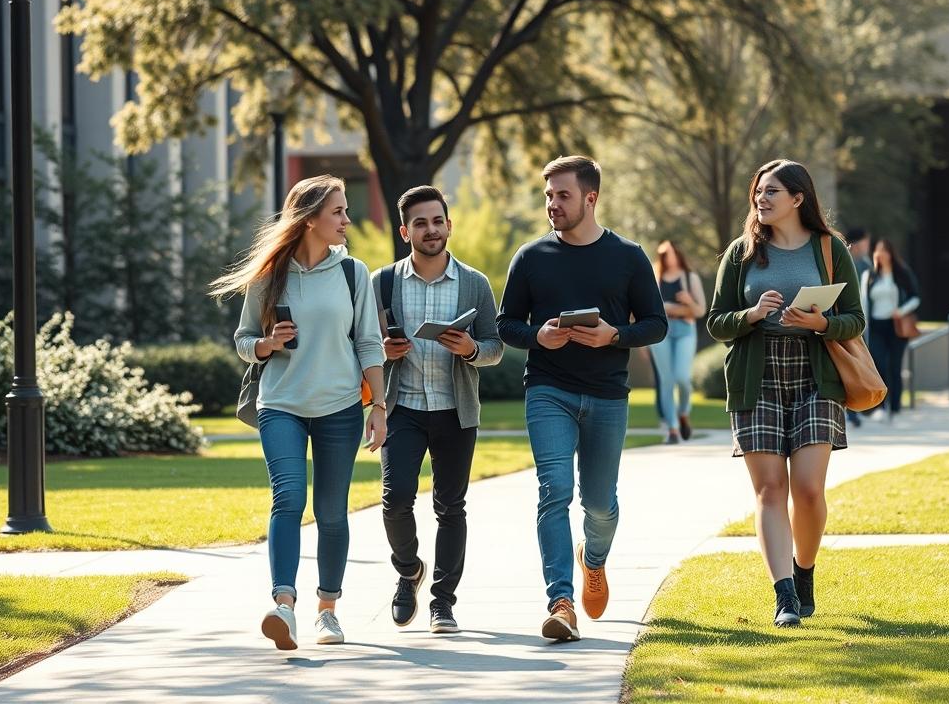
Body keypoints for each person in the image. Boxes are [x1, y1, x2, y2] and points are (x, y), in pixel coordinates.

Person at [211, 174, 387, 651]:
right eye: (338, 212)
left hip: (340, 407)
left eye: (347, 210)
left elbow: (369, 342)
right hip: (282, 404)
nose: (348, 220)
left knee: (332, 513)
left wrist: (380, 406)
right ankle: (283, 605)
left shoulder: (354, 273)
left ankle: (327, 610)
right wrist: (266, 344)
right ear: (310, 220)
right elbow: (244, 341)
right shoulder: (270, 276)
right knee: (288, 499)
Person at [497, 155, 667, 642]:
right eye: (548, 195)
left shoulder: (628, 256)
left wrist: (615, 336)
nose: (552, 204)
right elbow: (507, 325)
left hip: (608, 395)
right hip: (547, 388)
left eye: (562, 195)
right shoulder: (530, 257)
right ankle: (561, 601)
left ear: (590, 198)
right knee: (554, 492)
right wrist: (538, 337)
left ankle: (593, 561)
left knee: (599, 505)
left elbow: (656, 323)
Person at [705, 159, 864, 628]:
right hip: (758, 375)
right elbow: (716, 321)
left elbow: (855, 318)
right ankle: (784, 596)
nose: (762, 198)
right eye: (758, 190)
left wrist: (821, 323)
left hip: (816, 374)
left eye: (772, 190)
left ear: (798, 198)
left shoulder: (830, 249)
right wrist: (751, 315)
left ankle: (804, 571)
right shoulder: (742, 252)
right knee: (770, 489)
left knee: (809, 490)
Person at [372, 185, 503, 635]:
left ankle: (442, 602)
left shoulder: (475, 283)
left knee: (451, 507)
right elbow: (362, 346)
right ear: (405, 230)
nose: (431, 230)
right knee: (394, 503)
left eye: (438, 221)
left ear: (449, 225)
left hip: (454, 410)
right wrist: (383, 352)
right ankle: (408, 570)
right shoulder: (381, 283)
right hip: (402, 406)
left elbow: (495, 346)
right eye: (421, 223)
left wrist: (470, 350)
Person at [649, 240, 706, 444]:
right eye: (664, 254)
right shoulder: (655, 278)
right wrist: (672, 308)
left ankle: (683, 413)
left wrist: (688, 302)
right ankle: (672, 428)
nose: (668, 257)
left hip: (685, 331)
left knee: (682, 377)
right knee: (666, 380)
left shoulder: (690, 278)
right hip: (661, 332)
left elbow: (700, 311)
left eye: (671, 253)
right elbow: (649, 310)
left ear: (678, 254)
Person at [861, 238, 921, 422]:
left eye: (884, 251)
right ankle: (880, 406)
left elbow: (915, 297)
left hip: (897, 326)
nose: (881, 254)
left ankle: (895, 408)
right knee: (878, 364)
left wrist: (901, 310)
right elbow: (864, 301)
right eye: (878, 251)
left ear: (890, 254)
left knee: (895, 367)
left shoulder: (902, 273)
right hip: (877, 326)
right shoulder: (870, 275)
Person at [842, 228, 871, 428]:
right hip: (845, 323)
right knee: (849, 366)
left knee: (856, 366)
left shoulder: (866, 264)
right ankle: (851, 413)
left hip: (860, 322)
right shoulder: (848, 262)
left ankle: (854, 410)